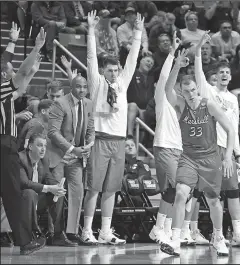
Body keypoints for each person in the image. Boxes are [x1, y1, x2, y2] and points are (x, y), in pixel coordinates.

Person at [160, 48, 235, 256]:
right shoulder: (180, 105)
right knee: (181, 193)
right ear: (182, 92)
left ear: (197, 89)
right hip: (189, 158)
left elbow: (230, 129)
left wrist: (228, 156)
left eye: (193, 90)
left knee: (213, 201)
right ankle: (175, 239)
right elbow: (167, 89)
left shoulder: (208, 104)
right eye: (187, 91)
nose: (191, 94)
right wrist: (177, 65)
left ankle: (218, 237)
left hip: (211, 158)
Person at [81, 10, 144, 245]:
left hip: (118, 141)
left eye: (116, 70)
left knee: (111, 189)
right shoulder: (96, 83)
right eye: (110, 70)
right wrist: (90, 30)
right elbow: (90, 58)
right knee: (94, 188)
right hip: (100, 138)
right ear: (103, 71)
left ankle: (105, 231)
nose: (114, 73)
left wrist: (138, 32)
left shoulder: (122, 84)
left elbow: (133, 59)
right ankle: (87, 230)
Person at [194, 32, 240, 247]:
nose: (225, 75)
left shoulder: (233, 99)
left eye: (228, 72)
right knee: (212, 195)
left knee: (233, 192)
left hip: (228, 151)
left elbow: (233, 130)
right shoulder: (208, 91)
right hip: (210, 149)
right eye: (221, 72)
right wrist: (199, 49)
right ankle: (216, 234)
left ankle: (237, 232)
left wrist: (238, 156)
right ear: (216, 77)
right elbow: (199, 73)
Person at [1, 27, 46, 255]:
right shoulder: (1, 88)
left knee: (11, 194)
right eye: (6, 72)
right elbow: (20, 73)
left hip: (4, 143)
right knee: (13, 195)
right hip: (4, 145)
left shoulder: (5, 93)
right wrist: (36, 47)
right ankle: (25, 242)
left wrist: (12, 42)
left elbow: (21, 83)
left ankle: (24, 241)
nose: (9, 73)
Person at [47, 75, 95, 246]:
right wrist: (71, 148)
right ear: (71, 87)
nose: (82, 90)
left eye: (84, 87)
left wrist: (88, 146)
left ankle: (72, 232)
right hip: (58, 156)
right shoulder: (60, 103)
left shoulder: (89, 104)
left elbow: (90, 129)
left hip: (77, 156)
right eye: (78, 87)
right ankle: (56, 234)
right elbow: (53, 132)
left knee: (77, 193)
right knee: (58, 195)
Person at [149, 32, 183, 244]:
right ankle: (159, 228)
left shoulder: (184, 108)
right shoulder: (162, 101)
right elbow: (163, 79)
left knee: (177, 192)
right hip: (164, 147)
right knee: (173, 189)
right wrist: (173, 57)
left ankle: (166, 229)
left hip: (179, 151)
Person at [18, 133, 75, 247]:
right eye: (39, 145)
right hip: (19, 201)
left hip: (35, 200)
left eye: (44, 145)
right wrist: (49, 188)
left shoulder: (44, 160)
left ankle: (58, 235)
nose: (43, 149)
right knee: (30, 193)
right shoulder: (19, 158)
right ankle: (32, 235)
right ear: (30, 146)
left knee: (58, 194)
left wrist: (57, 187)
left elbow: (49, 178)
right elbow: (24, 183)